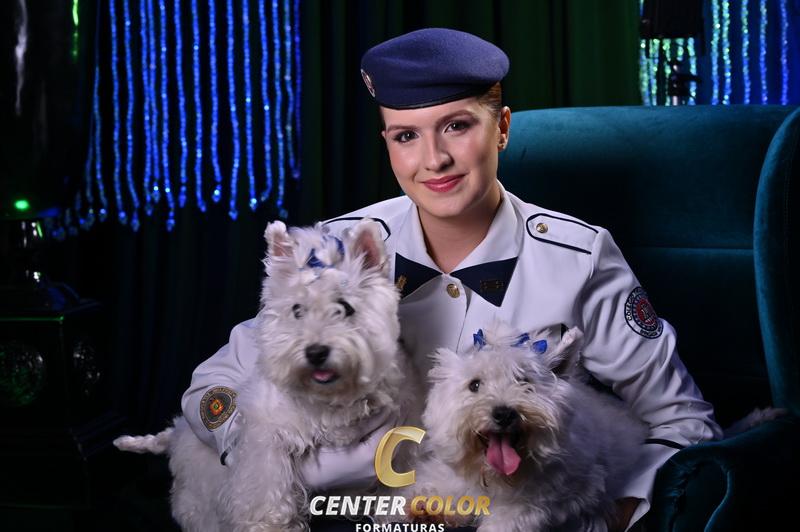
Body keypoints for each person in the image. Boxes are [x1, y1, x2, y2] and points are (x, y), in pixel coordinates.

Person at [182, 28, 722, 531]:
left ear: (502, 128)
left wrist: (615, 516)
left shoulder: (578, 258)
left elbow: (684, 421)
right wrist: (265, 447)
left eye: (457, 126)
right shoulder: (338, 251)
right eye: (406, 136)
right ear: (387, 143)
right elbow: (212, 389)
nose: (434, 159)